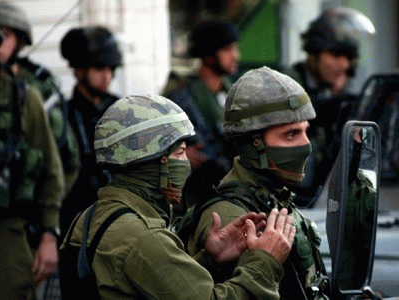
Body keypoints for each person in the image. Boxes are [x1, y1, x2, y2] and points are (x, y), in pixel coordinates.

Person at [59, 94, 296, 299]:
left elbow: (149, 282)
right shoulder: (144, 237)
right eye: (180, 152)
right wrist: (265, 261)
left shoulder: (89, 217)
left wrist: (209, 259)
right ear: (157, 165)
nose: (187, 164)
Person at [183, 66, 331, 299]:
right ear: (255, 143)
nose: (305, 145)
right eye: (291, 134)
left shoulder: (273, 196)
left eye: (305, 132)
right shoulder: (233, 216)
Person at [0, 4, 65, 298]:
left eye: (3, 35)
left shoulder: (27, 100)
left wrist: (49, 234)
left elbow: (52, 173)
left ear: (19, 43)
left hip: (8, 229)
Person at [283, 7, 376, 203]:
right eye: (335, 55)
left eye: (348, 58)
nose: (343, 65)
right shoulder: (286, 84)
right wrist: (335, 103)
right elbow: (300, 113)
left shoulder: (330, 89)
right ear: (313, 54)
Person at [0, 0, 81, 203]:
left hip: (24, 210)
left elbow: (67, 159)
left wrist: (47, 212)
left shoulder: (38, 87)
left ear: (19, 41)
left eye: (5, 35)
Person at [164, 19, 241, 210]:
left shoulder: (232, 92)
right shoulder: (181, 94)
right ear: (209, 55)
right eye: (227, 50)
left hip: (230, 191)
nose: (236, 56)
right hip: (191, 198)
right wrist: (179, 156)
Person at [59, 25, 123, 240]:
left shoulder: (120, 108)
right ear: (79, 70)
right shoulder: (62, 114)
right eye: (99, 68)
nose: (107, 76)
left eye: (111, 69)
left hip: (118, 215)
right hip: (75, 220)